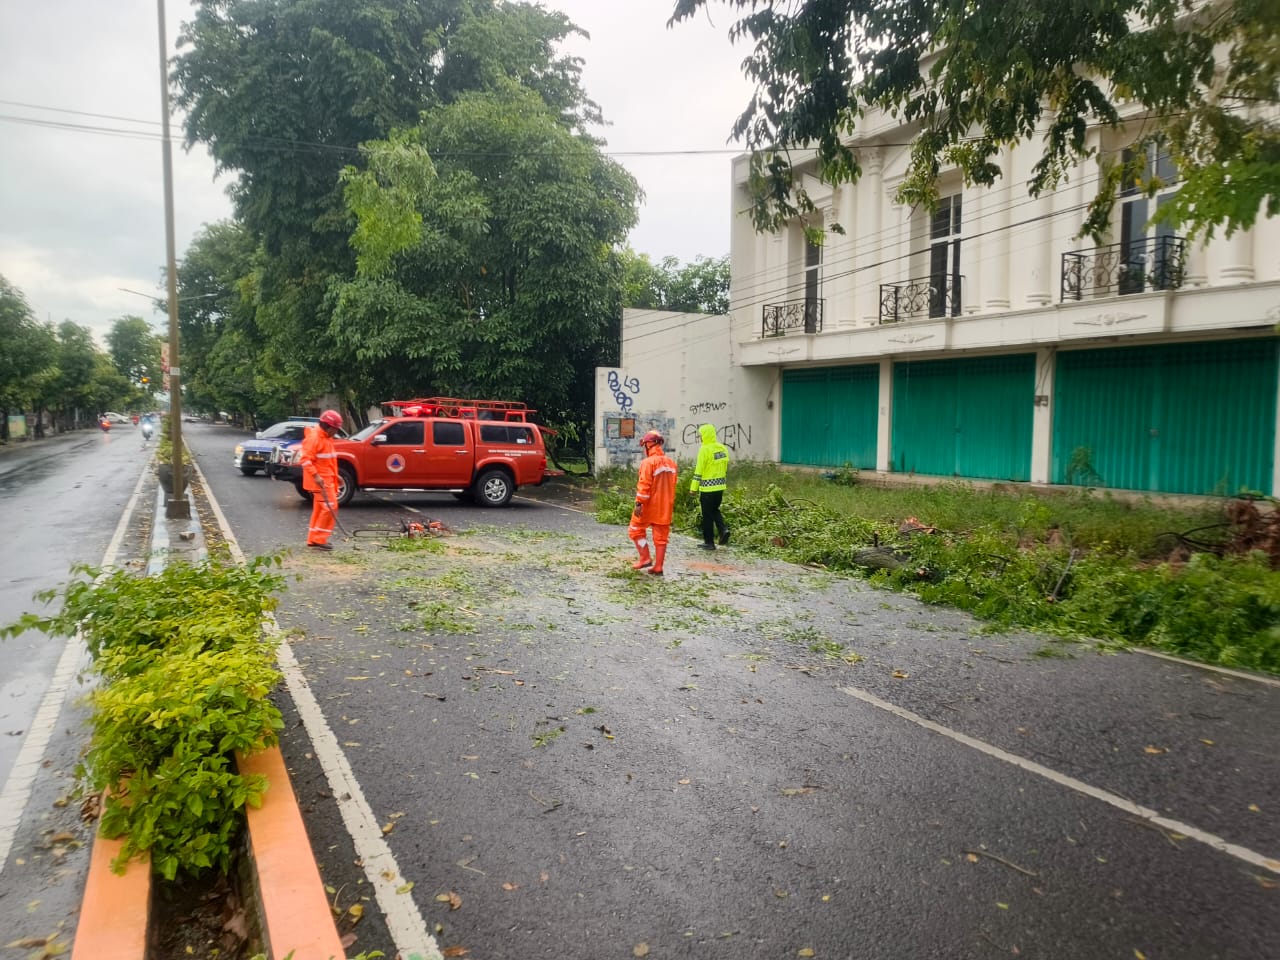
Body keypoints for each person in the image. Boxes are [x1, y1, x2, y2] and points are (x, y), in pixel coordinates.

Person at [628, 429, 678, 575]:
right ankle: (658, 566)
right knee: (661, 537)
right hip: (665, 506)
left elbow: (644, 485)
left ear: (649, 444)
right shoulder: (671, 464)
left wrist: (639, 504)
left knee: (635, 529)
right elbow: (673, 485)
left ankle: (645, 558)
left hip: (648, 505)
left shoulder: (648, 463)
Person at [298, 410, 344, 550]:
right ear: (328, 426)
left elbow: (327, 462)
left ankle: (313, 538)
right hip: (320, 482)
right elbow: (305, 460)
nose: (336, 432)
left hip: (326, 479)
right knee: (330, 506)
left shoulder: (325, 438)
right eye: (335, 429)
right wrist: (316, 476)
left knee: (320, 509)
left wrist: (336, 476)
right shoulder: (315, 438)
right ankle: (319, 538)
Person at [689, 423, 730, 549]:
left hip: (707, 488)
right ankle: (723, 530)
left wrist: (693, 488)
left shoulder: (704, 449)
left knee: (707, 515)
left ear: (706, 435)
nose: (700, 437)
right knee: (715, 510)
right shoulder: (722, 448)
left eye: (701, 435)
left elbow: (699, 470)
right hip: (720, 487)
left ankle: (709, 542)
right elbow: (725, 466)